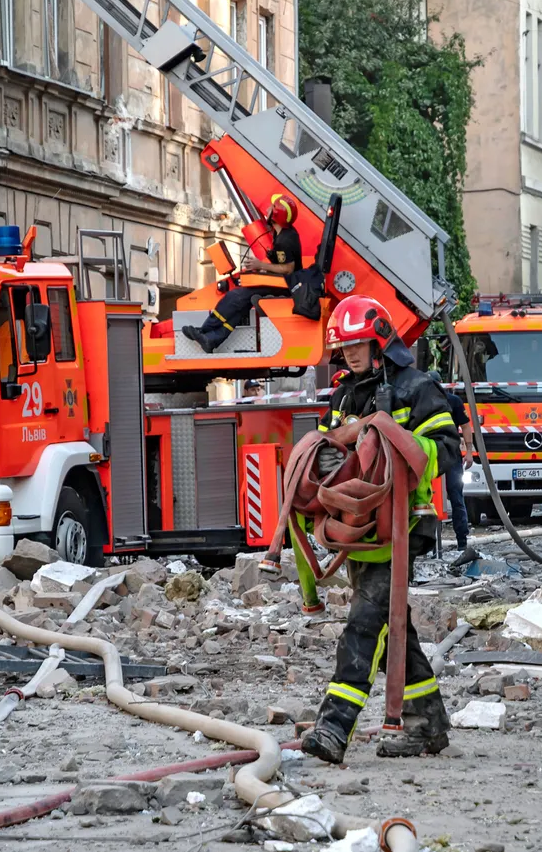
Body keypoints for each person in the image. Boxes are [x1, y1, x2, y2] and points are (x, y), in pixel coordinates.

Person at [299, 295, 460, 763]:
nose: (349, 354)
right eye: (343, 347)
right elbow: (329, 452)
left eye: (358, 344)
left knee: (364, 624)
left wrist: (397, 448)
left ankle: (333, 727)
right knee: (393, 626)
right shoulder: (345, 394)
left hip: (402, 525)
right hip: (357, 527)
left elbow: (447, 448)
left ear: (381, 341)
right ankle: (428, 723)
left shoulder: (416, 387)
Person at [182, 196, 302, 353]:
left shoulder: (284, 240)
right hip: (282, 285)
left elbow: (288, 268)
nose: (267, 210)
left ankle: (204, 330)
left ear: (276, 214)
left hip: (283, 288)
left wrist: (261, 265)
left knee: (235, 297)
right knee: (241, 305)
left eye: (271, 207)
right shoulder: (283, 234)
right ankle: (211, 339)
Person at [429, 370, 473, 550]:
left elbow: (465, 426)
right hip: (431, 456)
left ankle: (462, 542)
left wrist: (469, 451)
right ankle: (430, 543)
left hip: (450, 456)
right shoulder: (421, 402)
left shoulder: (453, 401)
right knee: (428, 499)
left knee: (456, 497)